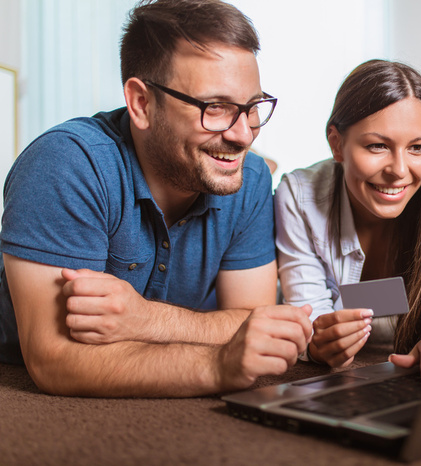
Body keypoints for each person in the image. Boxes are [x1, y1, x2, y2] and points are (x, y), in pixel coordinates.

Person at [0, 0, 312, 397]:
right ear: (141, 103)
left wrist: (147, 319)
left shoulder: (246, 177)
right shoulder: (65, 163)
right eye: (215, 108)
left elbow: (256, 322)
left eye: (252, 108)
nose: (243, 135)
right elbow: (54, 360)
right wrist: (218, 362)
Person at [274, 60, 421, 384]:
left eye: (417, 147)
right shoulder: (299, 196)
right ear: (337, 144)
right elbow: (309, 318)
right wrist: (316, 345)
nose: (399, 170)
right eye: (378, 146)